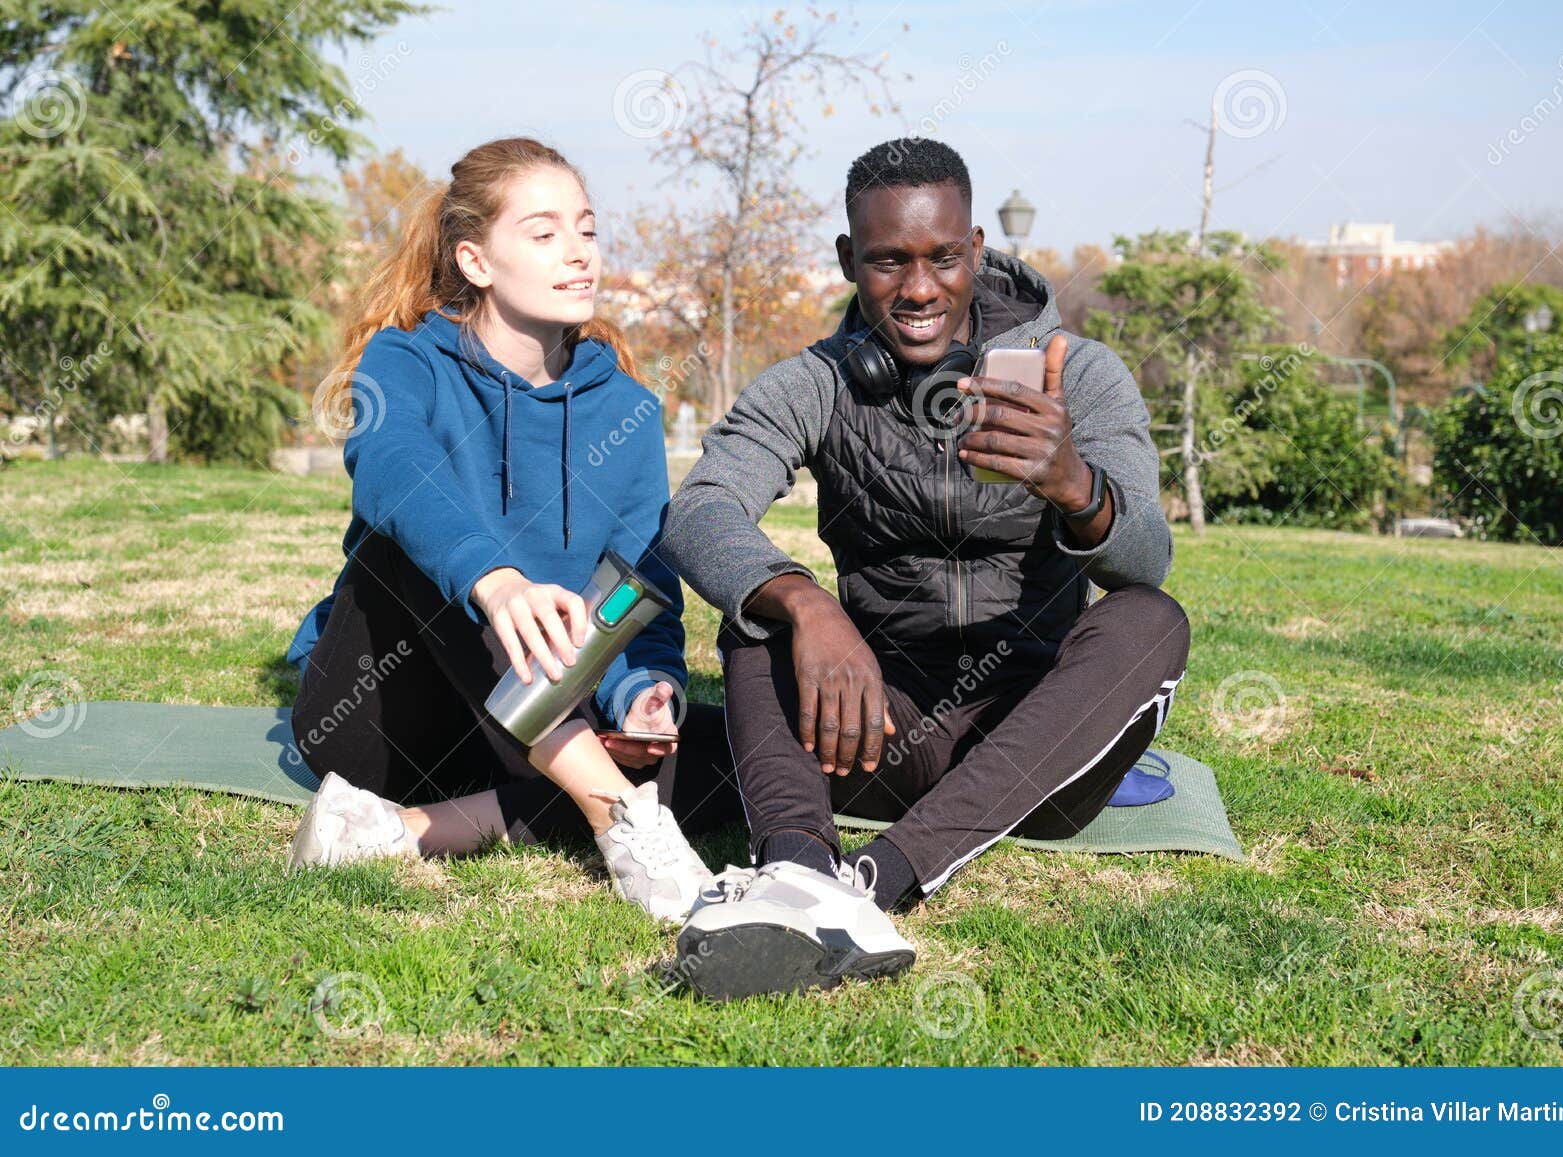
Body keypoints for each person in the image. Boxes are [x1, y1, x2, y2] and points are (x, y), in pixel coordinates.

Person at [659, 138, 1190, 999]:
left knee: (1151, 620)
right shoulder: (817, 382)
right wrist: (805, 602)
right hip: (872, 723)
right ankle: (796, 869)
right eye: (888, 261)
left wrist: (1074, 485)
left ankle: (875, 881)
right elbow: (699, 509)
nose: (919, 288)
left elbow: (1148, 558)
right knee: (758, 615)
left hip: (1034, 744)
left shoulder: (1079, 374)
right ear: (848, 261)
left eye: (943, 257)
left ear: (976, 251)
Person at [284, 136, 741, 924]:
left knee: (745, 750)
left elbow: (641, 591)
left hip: (536, 731)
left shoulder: (628, 413)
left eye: (588, 229)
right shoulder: (405, 360)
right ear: (475, 262)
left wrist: (642, 693)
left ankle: (395, 831)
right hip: (384, 719)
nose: (580, 254)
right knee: (420, 549)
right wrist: (497, 583)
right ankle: (617, 816)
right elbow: (391, 465)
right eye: (545, 233)